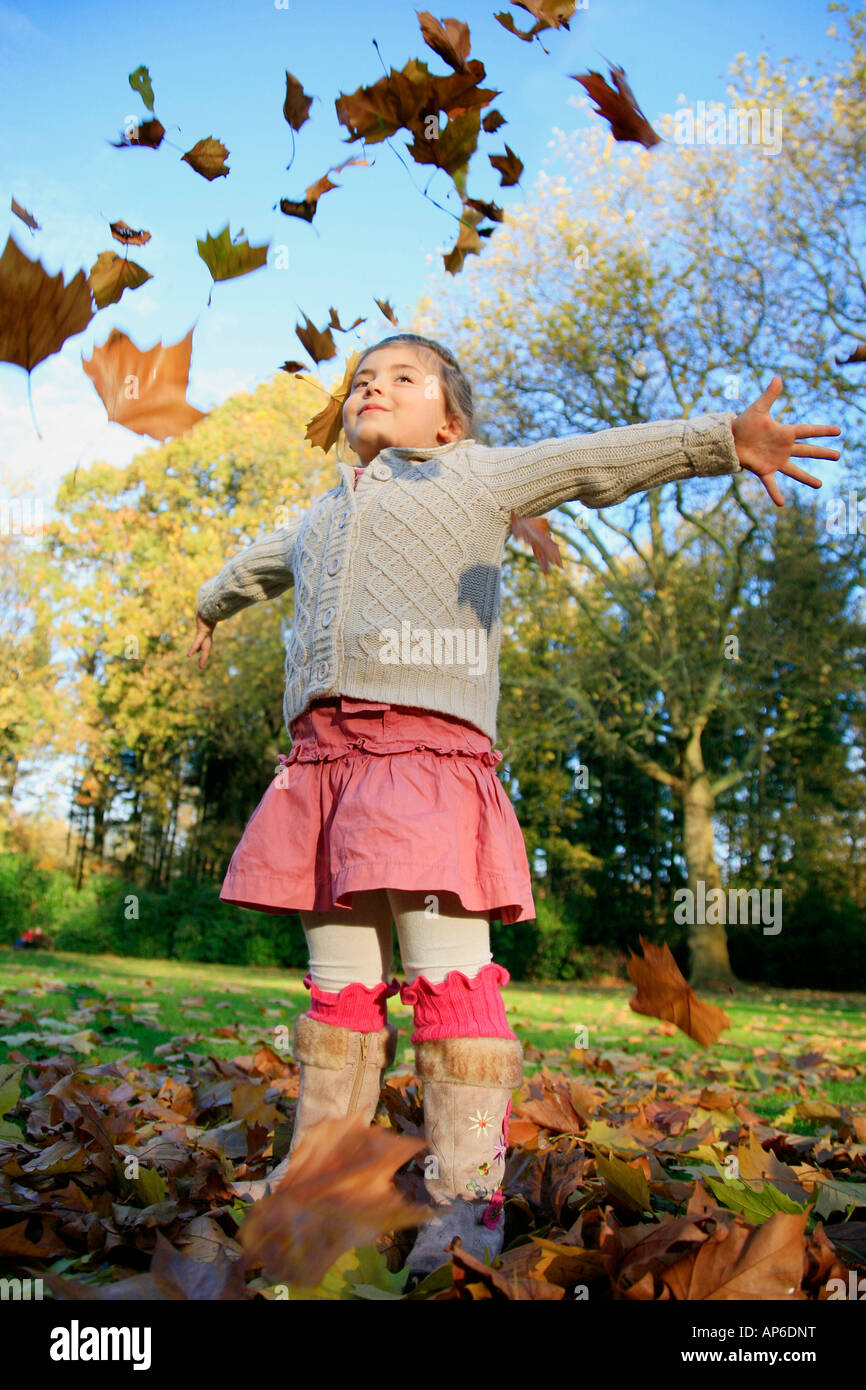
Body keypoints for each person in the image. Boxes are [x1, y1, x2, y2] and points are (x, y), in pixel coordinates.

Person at [187, 333, 840, 1284]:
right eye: (362, 379)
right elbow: (257, 565)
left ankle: (466, 1196)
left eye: (402, 377)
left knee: (448, 978)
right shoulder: (323, 516)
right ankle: (318, 1177)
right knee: (340, 986)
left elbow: (587, 462)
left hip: (425, 761)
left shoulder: (477, 478)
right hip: (321, 769)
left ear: (447, 416)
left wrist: (719, 441)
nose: (373, 386)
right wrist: (208, 607)